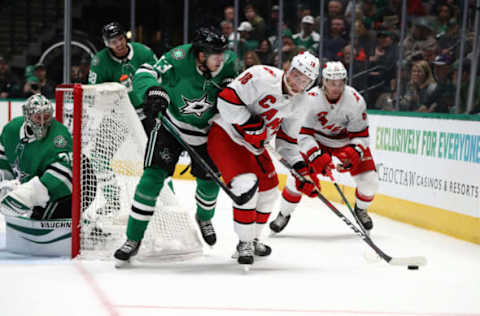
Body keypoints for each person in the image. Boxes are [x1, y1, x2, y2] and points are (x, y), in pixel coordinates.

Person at [113, 27, 237, 265]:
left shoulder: (228, 62)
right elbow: (144, 72)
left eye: (222, 53)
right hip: (172, 126)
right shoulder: (178, 58)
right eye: (215, 54)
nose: (221, 58)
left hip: (207, 130)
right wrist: (153, 91)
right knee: (151, 179)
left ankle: (204, 218)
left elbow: (236, 85)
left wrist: (232, 90)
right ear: (200, 55)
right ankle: (133, 239)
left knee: (210, 184)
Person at [207, 52, 320, 266]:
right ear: (288, 68)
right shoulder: (261, 75)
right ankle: (244, 243)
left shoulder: (302, 102)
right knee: (246, 186)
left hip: (255, 145)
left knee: (269, 192)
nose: (298, 83)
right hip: (227, 134)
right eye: (296, 75)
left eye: (305, 81)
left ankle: (253, 239)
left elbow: (286, 142)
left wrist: (302, 172)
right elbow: (226, 101)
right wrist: (251, 124)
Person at [270, 61, 379, 234]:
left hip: (345, 142)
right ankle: (284, 213)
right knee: (298, 177)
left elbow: (361, 135)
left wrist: (352, 152)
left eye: (340, 82)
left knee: (370, 181)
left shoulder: (355, 100)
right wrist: (315, 155)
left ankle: (361, 209)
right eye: (331, 82)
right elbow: (302, 133)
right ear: (323, 81)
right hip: (317, 141)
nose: (336, 87)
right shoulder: (310, 99)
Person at [0, 94, 73, 220]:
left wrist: (29, 194)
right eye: (38, 117)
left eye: (47, 117)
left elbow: (64, 173)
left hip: (58, 195)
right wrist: (5, 184)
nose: (43, 122)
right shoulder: (11, 130)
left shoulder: (59, 136)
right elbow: (3, 162)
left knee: (42, 216)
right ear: (27, 115)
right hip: (26, 185)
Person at [88, 21, 157, 129]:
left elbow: (159, 77)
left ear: (125, 37)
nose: (119, 44)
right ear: (107, 44)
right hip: (117, 116)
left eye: (120, 39)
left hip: (147, 111)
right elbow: (94, 92)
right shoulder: (99, 62)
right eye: (113, 41)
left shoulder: (144, 52)